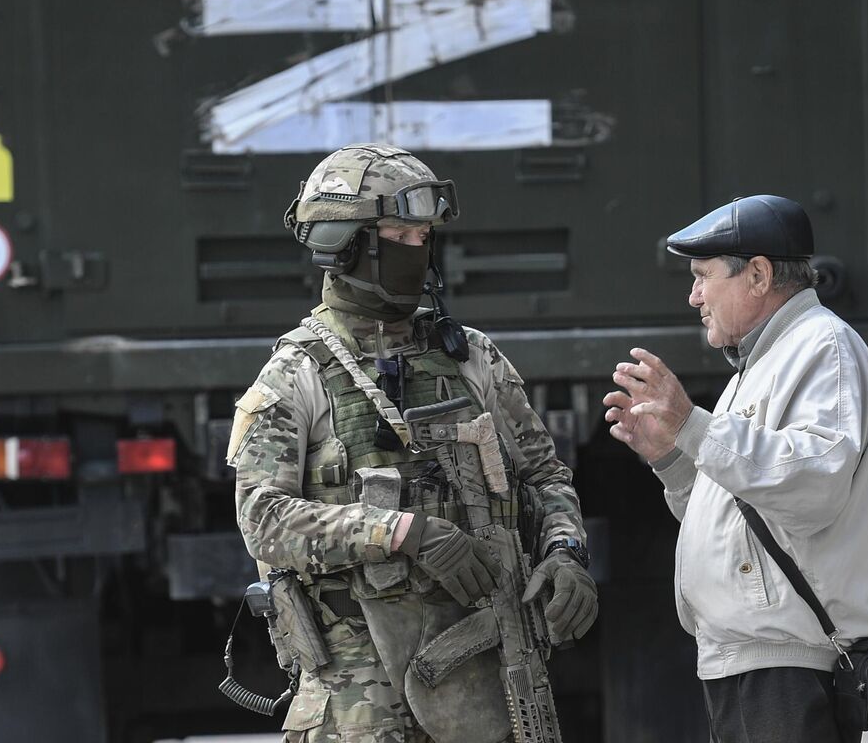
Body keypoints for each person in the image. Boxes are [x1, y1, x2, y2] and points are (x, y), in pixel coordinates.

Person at [229, 143, 595, 741]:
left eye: (425, 234)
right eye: (402, 233)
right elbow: (262, 520)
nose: (419, 248)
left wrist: (565, 553)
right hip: (359, 707)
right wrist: (403, 532)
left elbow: (546, 477)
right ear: (346, 242)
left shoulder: (473, 358)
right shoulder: (297, 373)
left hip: (490, 688)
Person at [603, 195, 868, 743]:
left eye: (703, 276)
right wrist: (669, 456)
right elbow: (740, 512)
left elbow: (813, 489)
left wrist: (693, 425)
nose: (693, 297)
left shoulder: (821, 346)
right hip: (753, 660)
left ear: (757, 274)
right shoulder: (762, 362)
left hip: (789, 664)